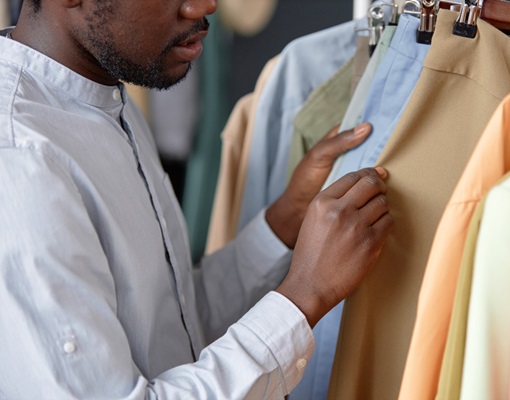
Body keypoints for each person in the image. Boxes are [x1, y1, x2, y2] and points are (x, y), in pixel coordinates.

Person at [0, 0, 393, 398]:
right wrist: (306, 295)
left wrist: (285, 221)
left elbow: (175, 327)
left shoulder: (108, 104)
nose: (206, 6)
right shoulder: (20, 161)